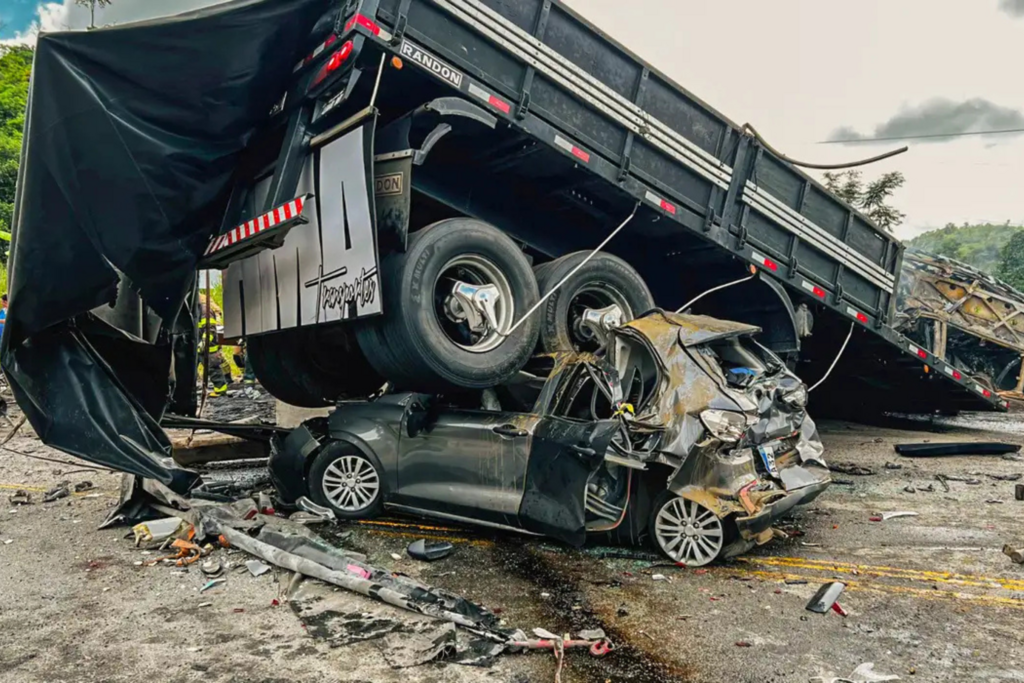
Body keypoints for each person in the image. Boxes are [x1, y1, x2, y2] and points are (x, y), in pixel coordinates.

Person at [198, 295, 229, 397]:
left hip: (209, 348)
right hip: (199, 346)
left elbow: (210, 329)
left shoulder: (205, 311)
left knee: (213, 369)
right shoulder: (197, 310)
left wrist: (204, 343)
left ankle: (220, 389)